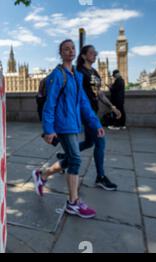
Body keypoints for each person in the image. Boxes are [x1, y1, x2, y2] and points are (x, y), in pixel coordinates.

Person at [32, 39, 105, 219]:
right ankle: (73, 203)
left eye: (73, 48)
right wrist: (48, 129)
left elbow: (83, 103)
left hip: (74, 123)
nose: (70, 51)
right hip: (62, 125)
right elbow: (50, 104)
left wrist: (96, 124)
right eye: (66, 49)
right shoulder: (58, 75)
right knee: (76, 161)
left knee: (73, 159)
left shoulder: (77, 76)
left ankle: (42, 174)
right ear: (61, 53)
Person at [56, 45, 119, 191]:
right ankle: (100, 177)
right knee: (101, 142)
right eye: (92, 53)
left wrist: (112, 107)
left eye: (95, 53)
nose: (95, 55)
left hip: (93, 113)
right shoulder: (79, 72)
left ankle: (65, 157)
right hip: (85, 113)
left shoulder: (95, 72)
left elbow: (100, 93)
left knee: (90, 142)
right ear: (84, 55)